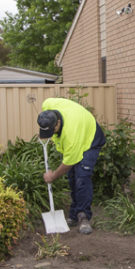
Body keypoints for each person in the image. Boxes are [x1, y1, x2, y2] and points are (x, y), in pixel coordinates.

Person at [37, 97, 106, 234]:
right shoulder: (48, 105)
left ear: (58, 122)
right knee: (72, 177)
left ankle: (83, 216)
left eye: (51, 130)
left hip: (90, 138)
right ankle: (74, 215)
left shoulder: (70, 134)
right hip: (77, 126)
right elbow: (47, 102)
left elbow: (69, 162)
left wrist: (53, 176)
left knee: (82, 177)